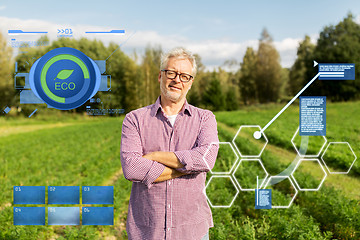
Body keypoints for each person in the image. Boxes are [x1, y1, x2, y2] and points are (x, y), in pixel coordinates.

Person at [120, 47, 219, 240]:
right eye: (171, 72)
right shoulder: (135, 119)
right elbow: (132, 168)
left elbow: (206, 160)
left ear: (190, 82)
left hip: (192, 231)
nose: (177, 80)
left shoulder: (205, 118)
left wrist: (155, 157)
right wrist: (188, 167)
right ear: (160, 76)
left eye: (184, 76)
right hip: (148, 230)